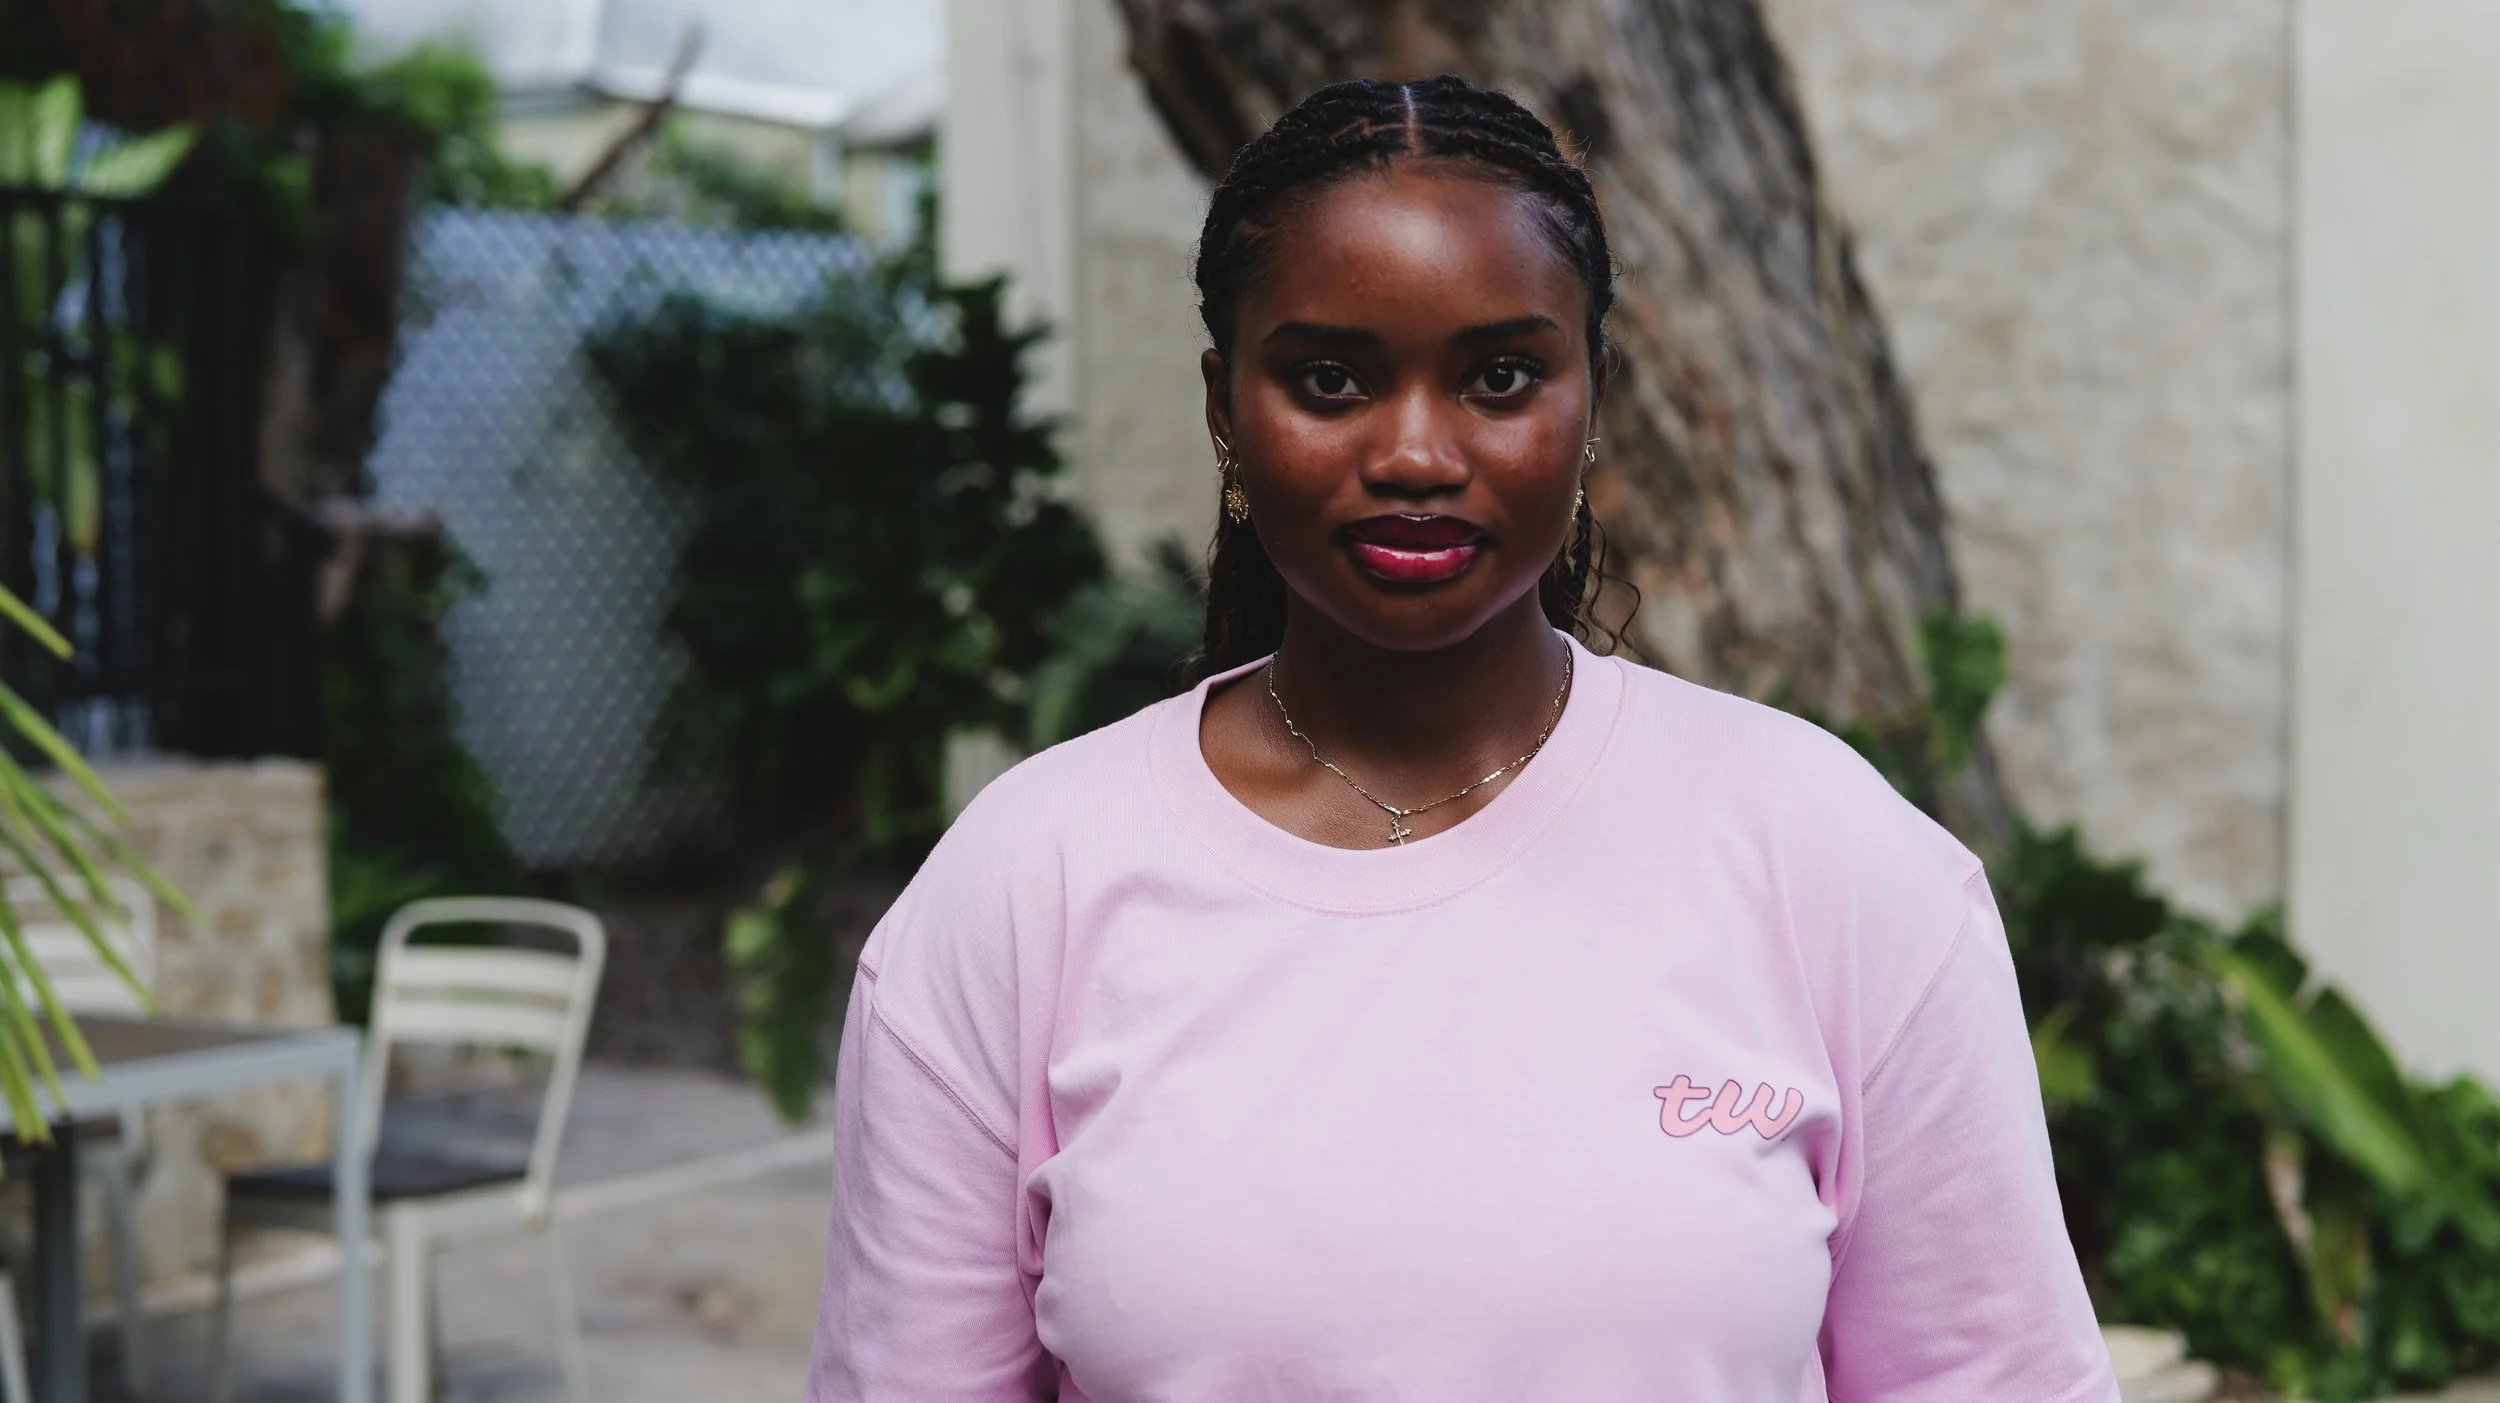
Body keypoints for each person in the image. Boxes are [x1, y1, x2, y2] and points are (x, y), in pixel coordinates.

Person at [809, 75, 2116, 1403]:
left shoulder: (1833, 860)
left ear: (1594, 396)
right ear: (1226, 410)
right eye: (1331, 379)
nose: (1418, 453)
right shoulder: (1021, 893)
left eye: (1499, 375)